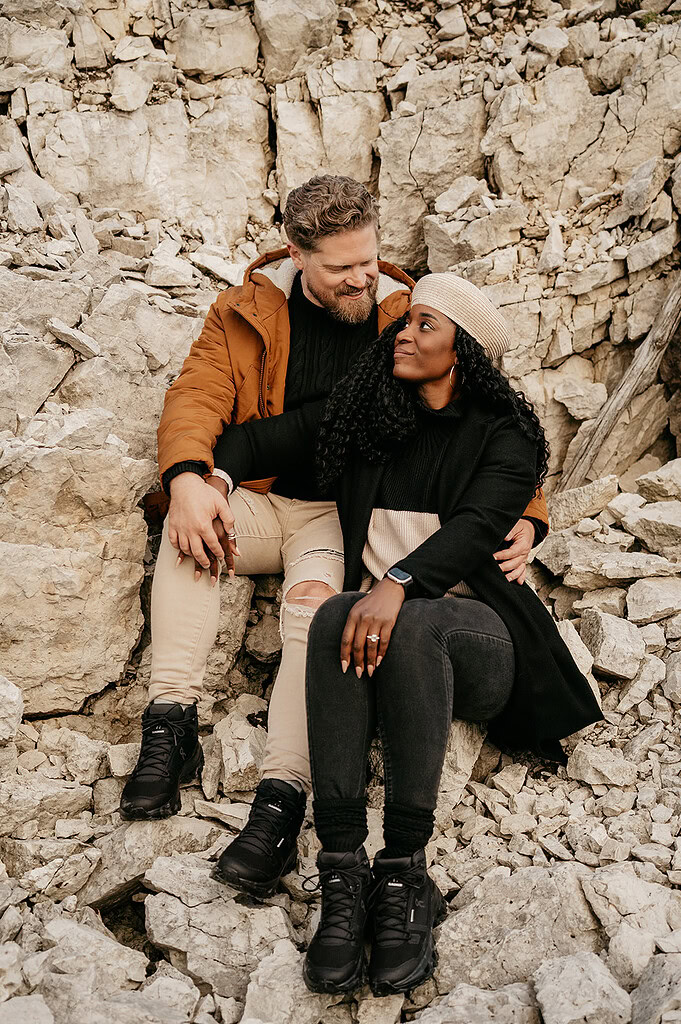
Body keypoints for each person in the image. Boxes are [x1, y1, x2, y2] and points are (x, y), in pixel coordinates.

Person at [119, 176, 550, 899]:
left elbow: (483, 406)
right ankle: (169, 724)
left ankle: (282, 795)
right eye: (340, 268)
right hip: (258, 496)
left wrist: (528, 512)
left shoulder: (403, 314)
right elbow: (197, 396)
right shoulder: (244, 309)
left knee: (312, 610)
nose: (361, 278)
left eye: (369, 260)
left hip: (338, 514)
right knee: (187, 532)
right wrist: (194, 479)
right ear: (297, 254)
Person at [208, 273, 603, 996]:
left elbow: (478, 527)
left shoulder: (505, 435)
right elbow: (258, 439)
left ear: (465, 352)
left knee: (412, 620)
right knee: (332, 612)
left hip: (482, 643)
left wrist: (394, 585)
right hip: (378, 630)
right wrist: (202, 482)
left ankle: (403, 874)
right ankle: (342, 874)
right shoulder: (368, 414)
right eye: (405, 322)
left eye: (425, 325)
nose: (404, 334)